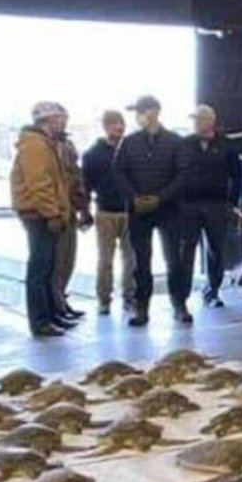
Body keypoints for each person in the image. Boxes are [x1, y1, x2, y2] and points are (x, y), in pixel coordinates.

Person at [112, 94, 184, 327]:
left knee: (174, 259)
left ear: (154, 112)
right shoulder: (129, 142)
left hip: (169, 210)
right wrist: (134, 197)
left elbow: (182, 175)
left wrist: (160, 198)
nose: (138, 116)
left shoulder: (174, 141)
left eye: (141, 111)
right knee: (141, 261)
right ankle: (141, 307)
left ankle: (179, 304)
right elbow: (118, 172)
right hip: (139, 211)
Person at [11, 101, 73, 337]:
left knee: (47, 267)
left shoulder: (44, 143)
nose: (63, 123)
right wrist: (52, 213)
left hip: (42, 213)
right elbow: (40, 183)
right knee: (40, 268)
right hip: (38, 215)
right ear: (48, 120)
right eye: (60, 119)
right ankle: (40, 321)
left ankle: (51, 315)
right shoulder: (36, 145)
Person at [176, 104, 242, 312]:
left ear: (211, 122)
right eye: (194, 120)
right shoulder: (184, 144)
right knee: (186, 251)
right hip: (189, 206)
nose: (196, 123)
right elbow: (175, 173)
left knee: (216, 250)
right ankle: (181, 298)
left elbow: (237, 175)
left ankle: (212, 292)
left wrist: (232, 202)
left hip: (216, 206)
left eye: (199, 119)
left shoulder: (226, 145)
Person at [82, 110, 135, 315]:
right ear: (105, 127)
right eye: (113, 123)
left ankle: (130, 297)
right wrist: (85, 212)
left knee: (131, 259)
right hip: (105, 212)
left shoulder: (131, 150)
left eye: (121, 123)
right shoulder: (92, 154)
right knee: (105, 260)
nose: (118, 127)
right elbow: (86, 186)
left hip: (130, 211)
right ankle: (104, 299)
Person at [49, 113, 89, 325]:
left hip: (70, 208)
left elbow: (76, 176)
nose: (62, 123)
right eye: (58, 119)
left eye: (64, 119)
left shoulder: (67, 145)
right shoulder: (45, 146)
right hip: (56, 211)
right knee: (55, 264)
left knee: (68, 260)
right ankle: (54, 307)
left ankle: (61, 301)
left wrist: (83, 207)